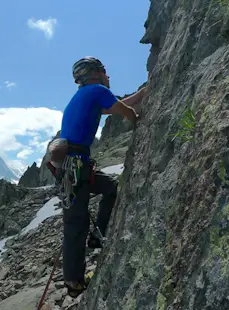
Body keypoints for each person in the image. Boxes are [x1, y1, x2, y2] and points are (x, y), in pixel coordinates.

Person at [56, 56, 148, 298]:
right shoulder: (96, 89)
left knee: (111, 188)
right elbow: (123, 110)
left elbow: (111, 108)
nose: (108, 76)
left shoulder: (87, 94)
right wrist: (137, 121)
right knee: (75, 224)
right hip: (77, 167)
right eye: (105, 71)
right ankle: (74, 282)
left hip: (74, 167)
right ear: (96, 73)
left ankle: (98, 236)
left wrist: (141, 95)